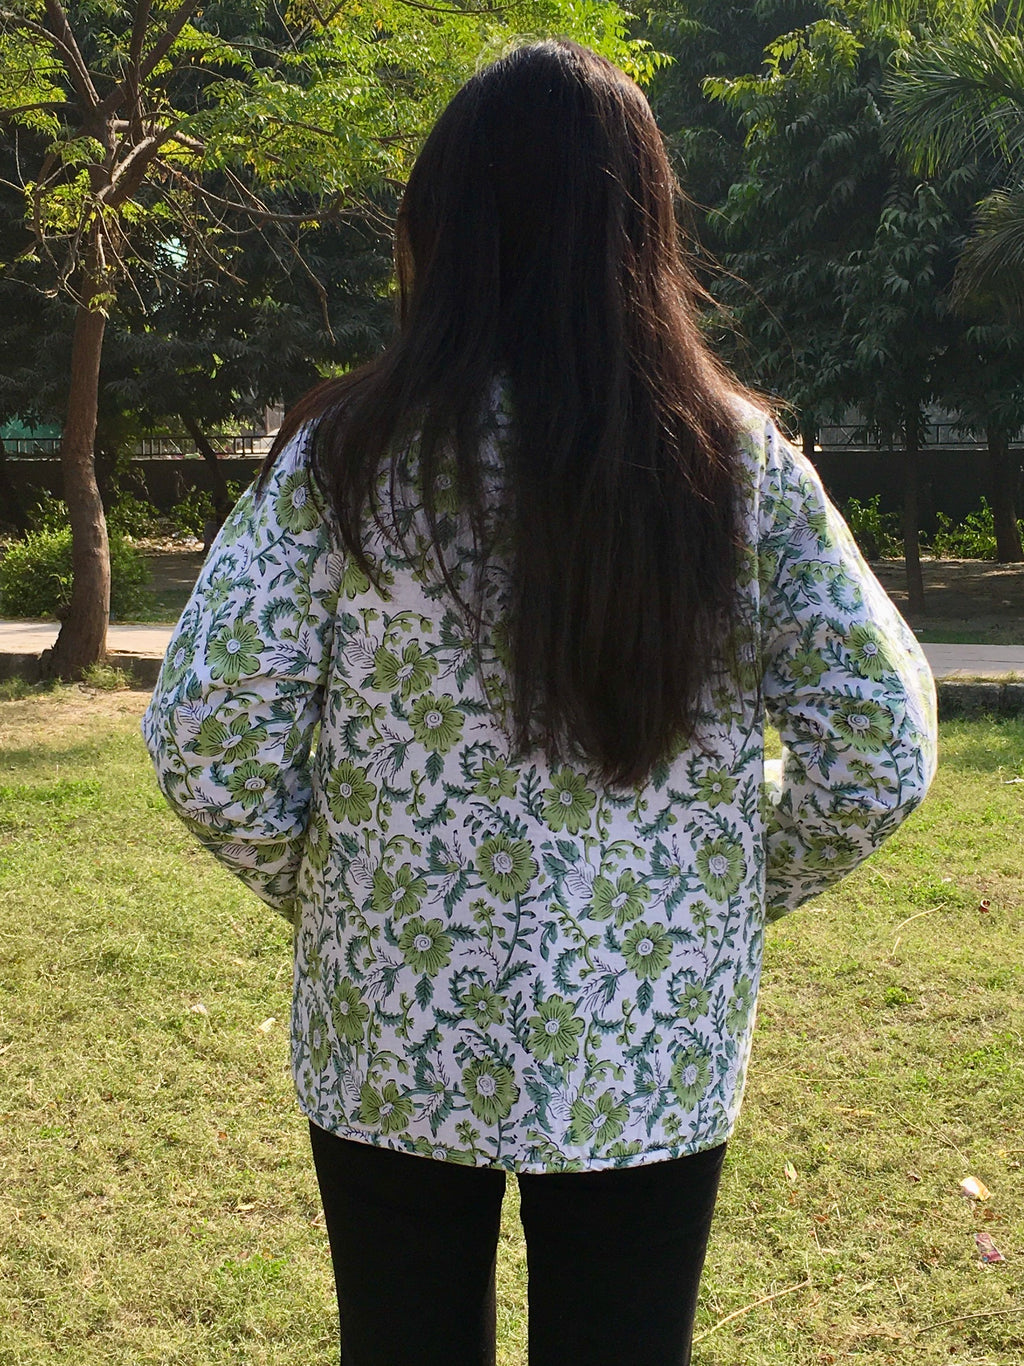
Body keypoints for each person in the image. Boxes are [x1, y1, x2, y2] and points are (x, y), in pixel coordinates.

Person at [143, 39, 937, 1366]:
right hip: (650, 1046)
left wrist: (344, 885)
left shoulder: (347, 460)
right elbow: (883, 746)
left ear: (437, 234)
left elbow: (203, 737)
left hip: (388, 1026)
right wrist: (714, 893)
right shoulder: (738, 466)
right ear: (649, 228)